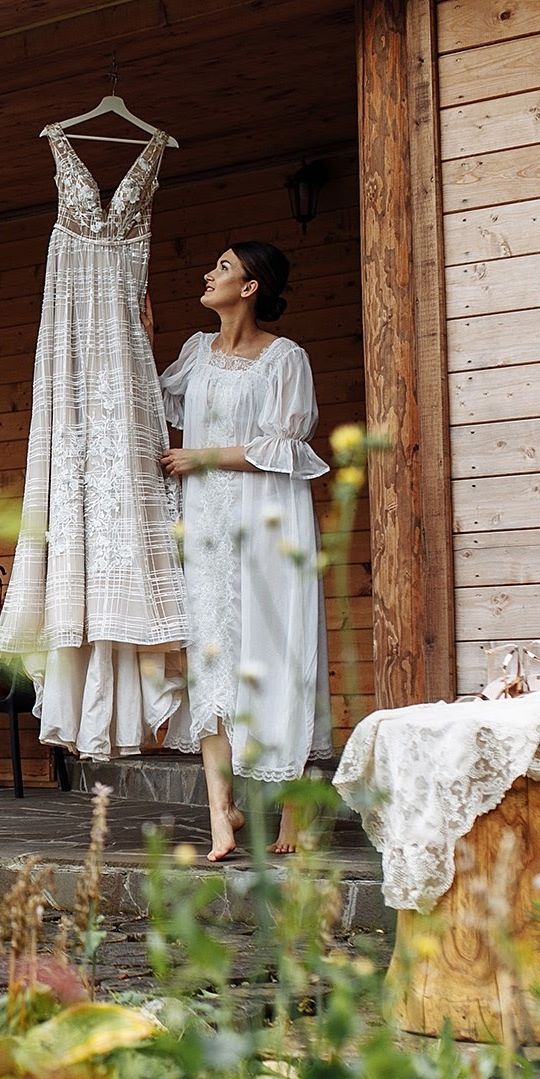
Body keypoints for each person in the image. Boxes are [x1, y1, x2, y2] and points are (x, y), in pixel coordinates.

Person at [151, 242, 332, 861]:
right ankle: (220, 816)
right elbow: (157, 403)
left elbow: (284, 446)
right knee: (213, 656)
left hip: (267, 522)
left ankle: (292, 814)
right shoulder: (195, 354)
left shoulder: (286, 360)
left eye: (223, 266)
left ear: (251, 286)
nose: (209, 272)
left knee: (277, 647)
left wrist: (200, 456)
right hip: (205, 524)